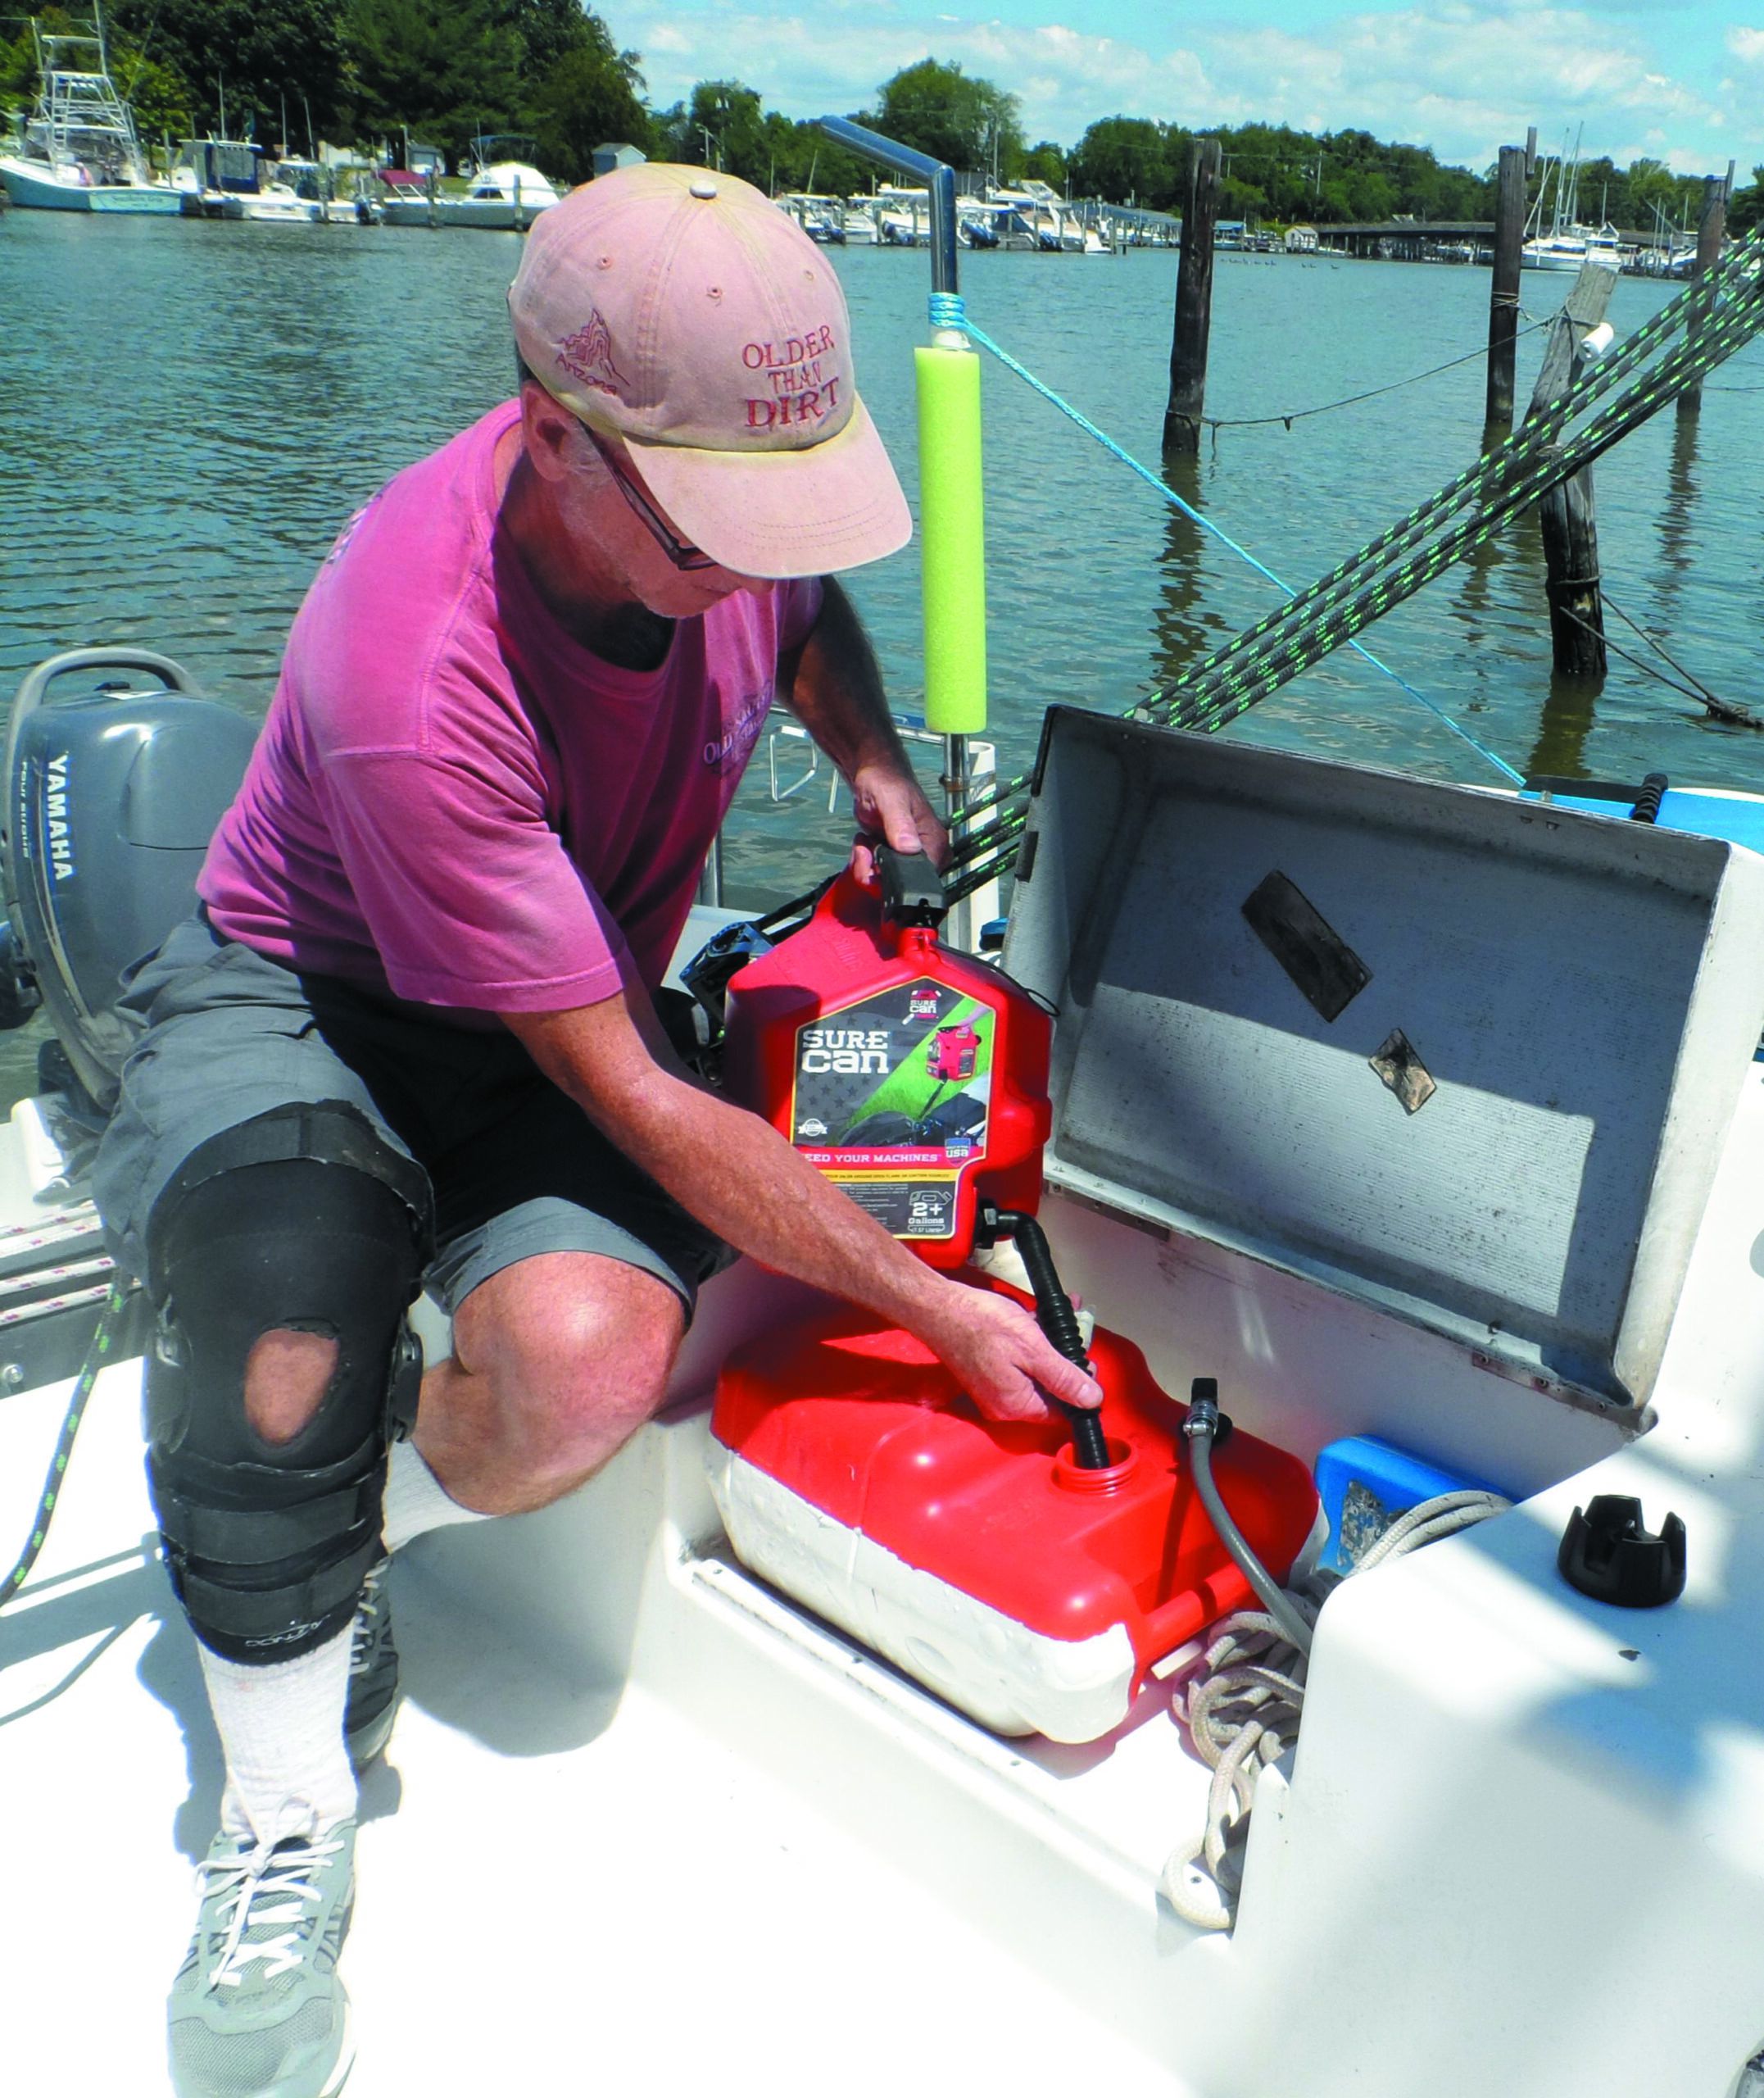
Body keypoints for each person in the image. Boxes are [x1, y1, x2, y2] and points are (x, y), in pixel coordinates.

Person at [93, 162, 1100, 2098]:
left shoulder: (715, 502)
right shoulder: (417, 663)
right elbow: (634, 1093)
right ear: (555, 437)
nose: (757, 552)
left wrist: (871, 750)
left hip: (582, 979)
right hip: (324, 994)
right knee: (288, 1329)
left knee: (589, 1362)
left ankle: (316, 1540)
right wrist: (942, 1309)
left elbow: (802, 611)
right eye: (721, 523)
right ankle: (285, 1785)